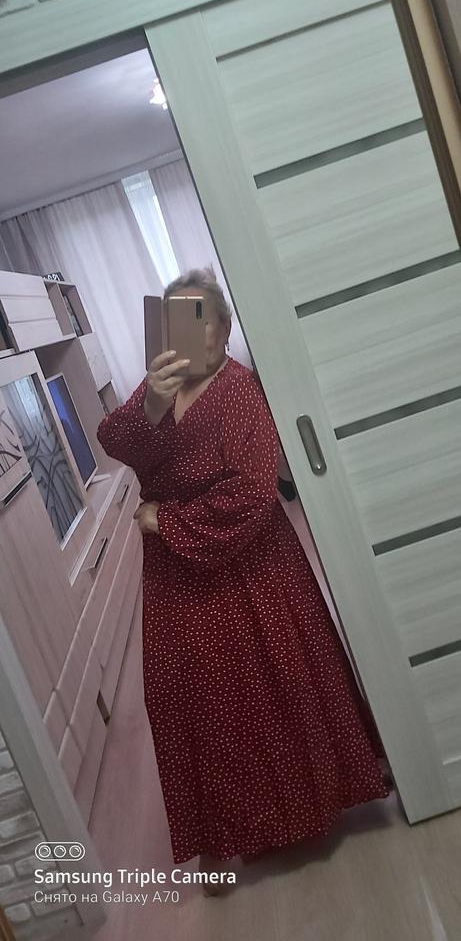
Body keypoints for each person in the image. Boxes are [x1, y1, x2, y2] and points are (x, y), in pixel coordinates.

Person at [96, 266, 390, 897]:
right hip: (176, 574)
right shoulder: (157, 387)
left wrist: (163, 519)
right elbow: (113, 440)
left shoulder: (241, 389)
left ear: (223, 329)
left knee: (274, 677)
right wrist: (150, 403)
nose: (189, 329)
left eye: (200, 316)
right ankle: (223, 831)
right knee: (188, 694)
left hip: (252, 563)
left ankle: (314, 801)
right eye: (177, 317)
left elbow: (254, 492)